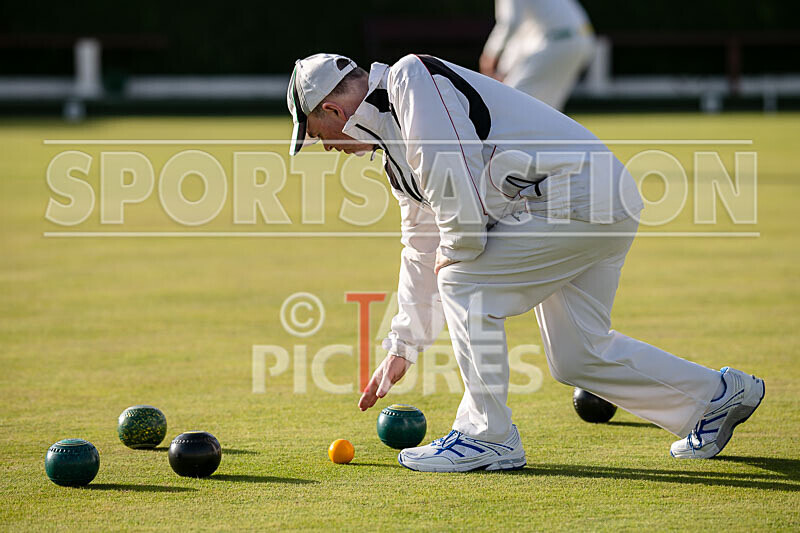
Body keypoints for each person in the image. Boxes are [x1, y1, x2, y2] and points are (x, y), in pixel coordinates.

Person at [286, 53, 765, 472]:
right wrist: (403, 344)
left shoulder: (411, 82)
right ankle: (715, 397)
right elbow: (420, 242)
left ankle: (486, 435)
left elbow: (459, 212)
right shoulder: (394, 151)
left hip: (577, 199)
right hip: (587, 202)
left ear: (331, 110)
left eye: (316, 135)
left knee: (462, 278)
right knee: (578, 354)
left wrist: (454, 261)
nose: (326, 148)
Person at [480, 0, 595, 110]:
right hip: (581, 42)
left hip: (555, 41)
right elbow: (522, 36)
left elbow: (510, 22)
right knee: (548, 109)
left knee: (509, 101)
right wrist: (503, 70)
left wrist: (489, 55)